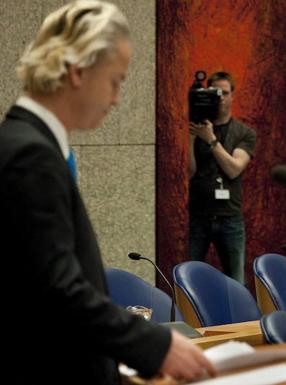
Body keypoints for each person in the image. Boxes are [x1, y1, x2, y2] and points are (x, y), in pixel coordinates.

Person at [0, 2, 214, 384]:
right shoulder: (28, 153)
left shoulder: (34, 144)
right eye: (115, 81)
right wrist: (155, 345)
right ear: (77, 71)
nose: (116, 98)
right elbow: (57, 289)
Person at [188, 71, 256, 285]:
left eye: (225, 93)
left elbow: (234, 169)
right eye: (216, 93)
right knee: (191, 277)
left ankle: (239, 319)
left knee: (236, 280)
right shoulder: (198, 128)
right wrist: (191, 139)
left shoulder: (244, 132)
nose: (221, 98)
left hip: (230, 217)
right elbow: (190, 171)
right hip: (199, 214)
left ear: (232, 95)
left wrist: (211, 140)